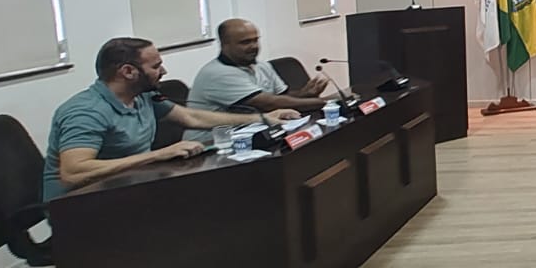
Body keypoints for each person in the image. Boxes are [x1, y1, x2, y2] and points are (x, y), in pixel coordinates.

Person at [43, 37, 300, 200]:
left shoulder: (142, 96)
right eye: (156, 66)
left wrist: (263, 118)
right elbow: (73, 173)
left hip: (129, 187)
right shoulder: (86, 111)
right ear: (128, 72)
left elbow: (191, 117)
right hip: (82, 205)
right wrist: (157, 155)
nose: (163, 71)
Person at [188, 18, 332, 114]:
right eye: (245, 42)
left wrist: (305, 93)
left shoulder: (262, 66)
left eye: (255, 40)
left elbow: (281, 97)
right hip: (212, 143)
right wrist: (325, 102)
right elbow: (269, 104)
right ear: (225, 44)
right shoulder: (217, 73)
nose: (254, 46)